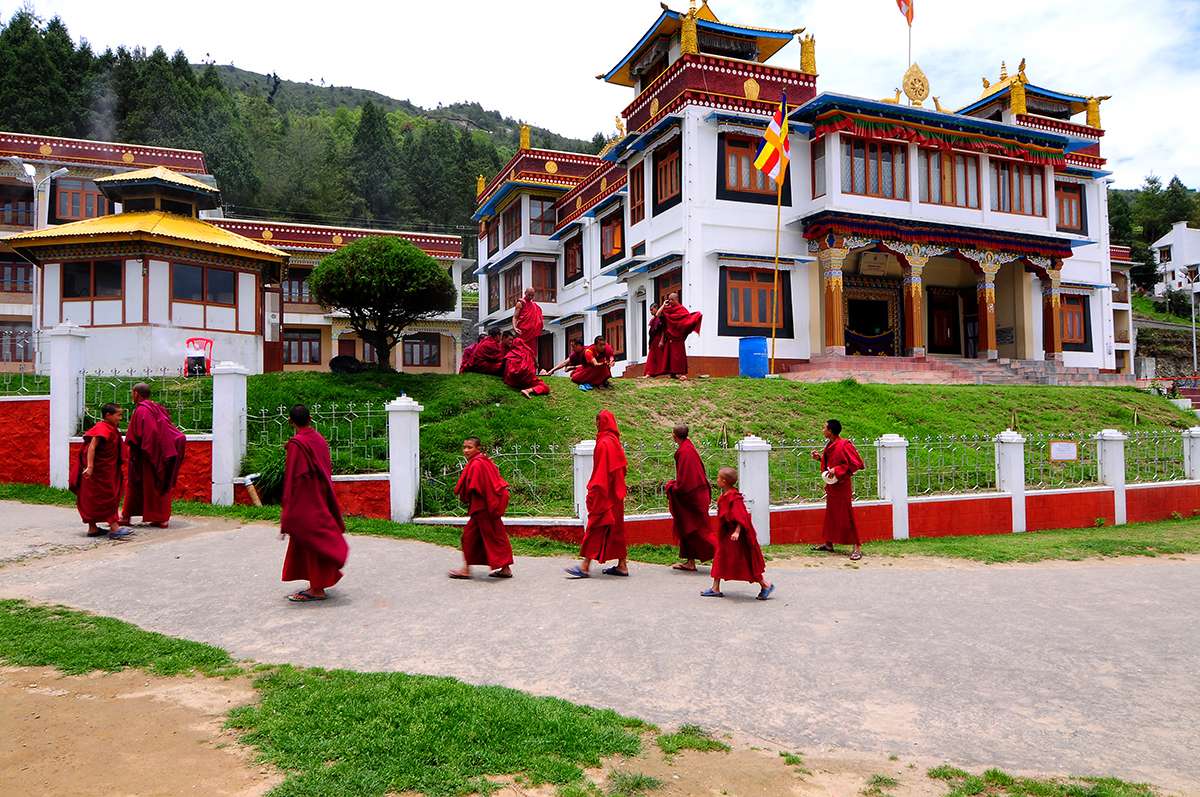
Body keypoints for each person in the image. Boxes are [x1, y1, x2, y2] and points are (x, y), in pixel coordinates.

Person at [280, 404, 349, 602]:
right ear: (310, 419)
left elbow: (293, 478)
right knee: (310, 543)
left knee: (310, 543)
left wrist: (288, 510)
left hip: (305, 501)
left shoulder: (296, 444)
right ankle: (315, 584)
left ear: (290, 422)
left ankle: (317, 589)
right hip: (322, 497)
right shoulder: (319, 440)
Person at [566, 410, 628, 578]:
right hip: (616, 494)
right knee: (616, 530)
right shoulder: (615, 442)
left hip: (605, 494)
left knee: (595, 528)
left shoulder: (603, 444)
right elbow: (622, 468)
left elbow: (601, 472)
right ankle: (622, 565)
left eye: (598, 422)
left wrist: (594, 489)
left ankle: (585, 566)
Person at [120, 383, 186, 529]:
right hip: (159, 452)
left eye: (132, 393)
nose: (132, 396)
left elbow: (149, 434)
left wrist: (145, 451)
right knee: (157, 484)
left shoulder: (142, 410)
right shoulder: (156, 407)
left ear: (136, 393)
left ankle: (130, 517)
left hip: (147, 455)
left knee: (141, 485)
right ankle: (159, 518)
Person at [448, 437, 514, 580]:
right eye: (464, 447)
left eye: (469, 447)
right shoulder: (482, 461)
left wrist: (466, 495)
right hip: (486, 506)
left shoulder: (478, 464)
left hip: (483, 507)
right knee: (495, 536)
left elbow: (475, 486)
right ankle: (505, 568)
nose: (466, 450)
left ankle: (466, 570)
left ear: (478, 449)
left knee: (470, 537)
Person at [705, 467, 774, 600]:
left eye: (718, 478)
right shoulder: (725, 495)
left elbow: (741, 516)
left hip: (737, 536)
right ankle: (715, 587)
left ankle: (765, 584)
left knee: (746, 560)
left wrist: (737, 532)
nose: (717, 480)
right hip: (726, 534)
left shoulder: (734, 497)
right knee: (720, 557)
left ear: (724, 481)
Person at [71, 403, 131, 540]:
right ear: (108, 415)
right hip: (98, 472)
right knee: (106, 496)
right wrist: (90, 467)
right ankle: (114, 527)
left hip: (105, 470)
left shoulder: (110, 428)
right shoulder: (102, 428)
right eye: (118, 415)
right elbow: (92, 447)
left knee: (94, 497)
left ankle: (93, 529)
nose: (120, 418)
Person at [810, 418, 865, 561]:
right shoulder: (830, 445)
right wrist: (819, 458)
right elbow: (830, 464)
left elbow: (855, 464)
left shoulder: (844, 444)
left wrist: (837, 470)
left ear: (831, 431)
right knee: (831, 514)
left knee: (847, 515)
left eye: (824, 428)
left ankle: (857, 547)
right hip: (832, 486)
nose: (823, 430)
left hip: (842, 485)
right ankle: (829, 543)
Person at [664, 424, 714, 571]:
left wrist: (673, 487)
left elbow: (686, 481)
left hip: (693, 497)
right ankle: (690, 562)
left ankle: (724, 554)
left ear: (674, 436)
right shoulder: (687, 447)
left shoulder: (685, 452)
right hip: (695, 493)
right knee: (687, 529)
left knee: (699, 530)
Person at [657, 292, 703, 379]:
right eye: (669, 299)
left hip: (678, 337)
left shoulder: (682, 310)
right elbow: (657, 314)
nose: (670, 301)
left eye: (672, 300)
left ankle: (682, 374)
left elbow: (687, 321)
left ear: (676, 300)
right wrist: (663, 305)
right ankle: (672, 374)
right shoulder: (668, 309)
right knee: (670, 356)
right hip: (669, 337)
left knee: (679, 356)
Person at [502, 333, 550, 398]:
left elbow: (507, 370)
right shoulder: (528, 352)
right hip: (527, 381)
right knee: (545, 387)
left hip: (513, 382)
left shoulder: (510, 354)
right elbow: (533, 366)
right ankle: (528, 390)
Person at [513, 286, 544, 362]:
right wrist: (514, 327)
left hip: (532, 334)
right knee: (522, 351)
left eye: (532, 295)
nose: (530, 297)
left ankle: (530, 369)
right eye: (529, 295)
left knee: (532, 352)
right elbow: (515, 317)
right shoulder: (520, 303)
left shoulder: (534, 306)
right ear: (525, 293)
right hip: (523, 332)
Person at [643, 302, 667, 378]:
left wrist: (662, 340)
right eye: (650, 310)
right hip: (653, 340)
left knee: (660, 356)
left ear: (656, 309)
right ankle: (649, 373)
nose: (651, 312)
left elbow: (663, 330)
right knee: (651, 357)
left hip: (659, 339)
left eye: (652, 309)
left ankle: (661, 371)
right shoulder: (654, 319)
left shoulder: (661, 318)